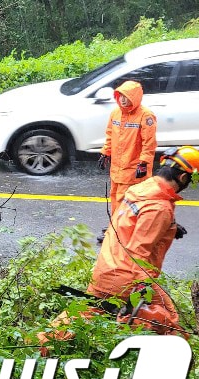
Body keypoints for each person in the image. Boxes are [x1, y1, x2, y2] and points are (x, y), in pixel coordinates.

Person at [38, 146, 198, 352]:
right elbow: (138, 252)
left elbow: (132, 224)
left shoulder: (143, 189)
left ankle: (42, 342)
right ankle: (177, 363)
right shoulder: (160, 207)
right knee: (166, 321)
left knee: (85, 313)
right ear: (184, 177)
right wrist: (142, 288)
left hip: (108, 266)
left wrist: (170, 227)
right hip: (125, 275)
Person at [97, 80, 157, 241]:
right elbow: (110, 134)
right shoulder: (116, 113)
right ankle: (118, 227)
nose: (123, 100)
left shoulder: (146, 116)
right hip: (117, 167)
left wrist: (143, 163)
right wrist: (105, 152)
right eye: (121, 96)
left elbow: (149, 143)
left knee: (125, 201)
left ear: (136, 97)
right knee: (116, 197)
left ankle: (117, 234)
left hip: (133, 169)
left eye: (127, 96)